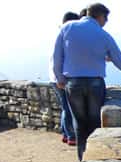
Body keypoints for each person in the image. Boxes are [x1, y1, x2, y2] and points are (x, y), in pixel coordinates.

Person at [52, 3, 121, 160]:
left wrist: (59, 78)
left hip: (73, 83)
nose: (106, 21)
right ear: (100, 16)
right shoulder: (104, 35)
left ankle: (83, 159)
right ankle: (94, 158)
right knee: (95, 122)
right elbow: (120, 61)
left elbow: (57, 56)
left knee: (79, 122)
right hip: (95, 83)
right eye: (105, 18)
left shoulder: (67, 27)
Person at [50, 11, 81, 146]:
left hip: (55, 78)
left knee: (65, 107)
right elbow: (59, 60)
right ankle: (71, 136)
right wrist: (61, 79)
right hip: (61, 79)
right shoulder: (65, 37)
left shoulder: (60, 35)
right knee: (69, 108)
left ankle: (65, 133)